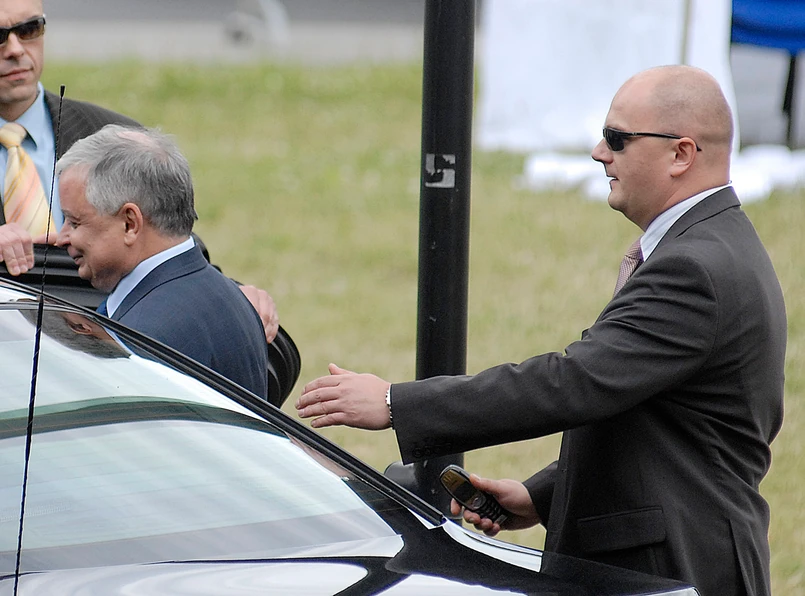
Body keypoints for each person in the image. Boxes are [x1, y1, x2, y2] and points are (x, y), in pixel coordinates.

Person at [296, 65, 786, 596]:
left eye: (617, 138)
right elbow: (656, 415)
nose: (599, 153)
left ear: (681, 154)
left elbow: (574, 382)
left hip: (679, 568)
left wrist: (396, 403)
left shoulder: (694, 268)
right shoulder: (709, 245)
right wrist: (543, 496)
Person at [0, 0, 279, 343]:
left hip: (115, 355)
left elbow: (171, 248)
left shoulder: (116, 137)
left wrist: (232, 295)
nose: (15, 49)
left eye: (29, 29)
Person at [55, 123, 269, 399]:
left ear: (130, 224)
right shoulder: (228, 295)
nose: (61, 238)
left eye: (74, 222)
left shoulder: (140, 341)